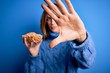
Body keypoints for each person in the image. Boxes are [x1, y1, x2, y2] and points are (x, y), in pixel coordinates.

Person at [23, 0, 96, 73]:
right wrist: (34, 55)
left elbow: (87, 64)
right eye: (48, 19)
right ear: (45, 21)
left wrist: (81, 39)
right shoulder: (38, 44)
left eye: (56, 18)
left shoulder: (74, 43)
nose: (52, 22)